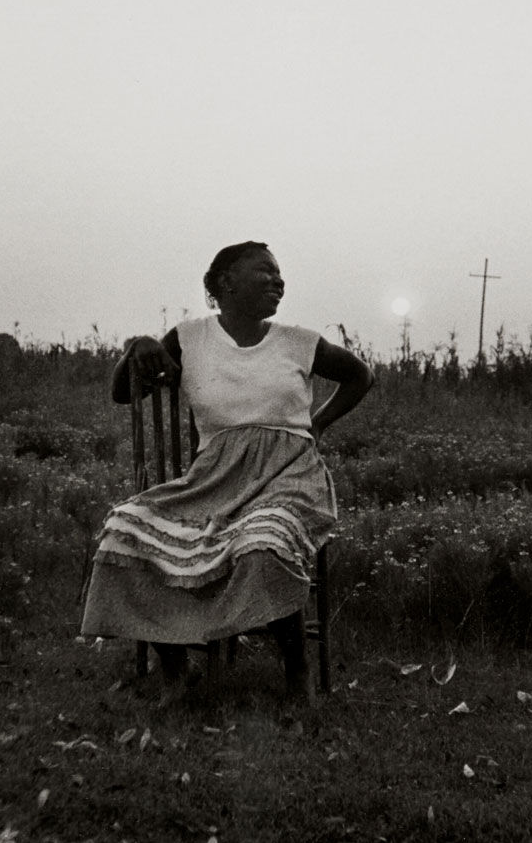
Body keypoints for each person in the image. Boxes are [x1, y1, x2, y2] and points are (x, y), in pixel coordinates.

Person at [80, 241, 375, 704]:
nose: (278, 280)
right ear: (225, 282)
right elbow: (123, 392)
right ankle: (176, 668)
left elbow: (360, 375)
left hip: (289, 478)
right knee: (126, 528)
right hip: (213, 481)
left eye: (280, 274)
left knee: (265, 538)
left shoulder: (298, 341)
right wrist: (136, 346)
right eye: (265, 271)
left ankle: (297, 670)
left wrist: (316, 424)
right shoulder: (191, 338)